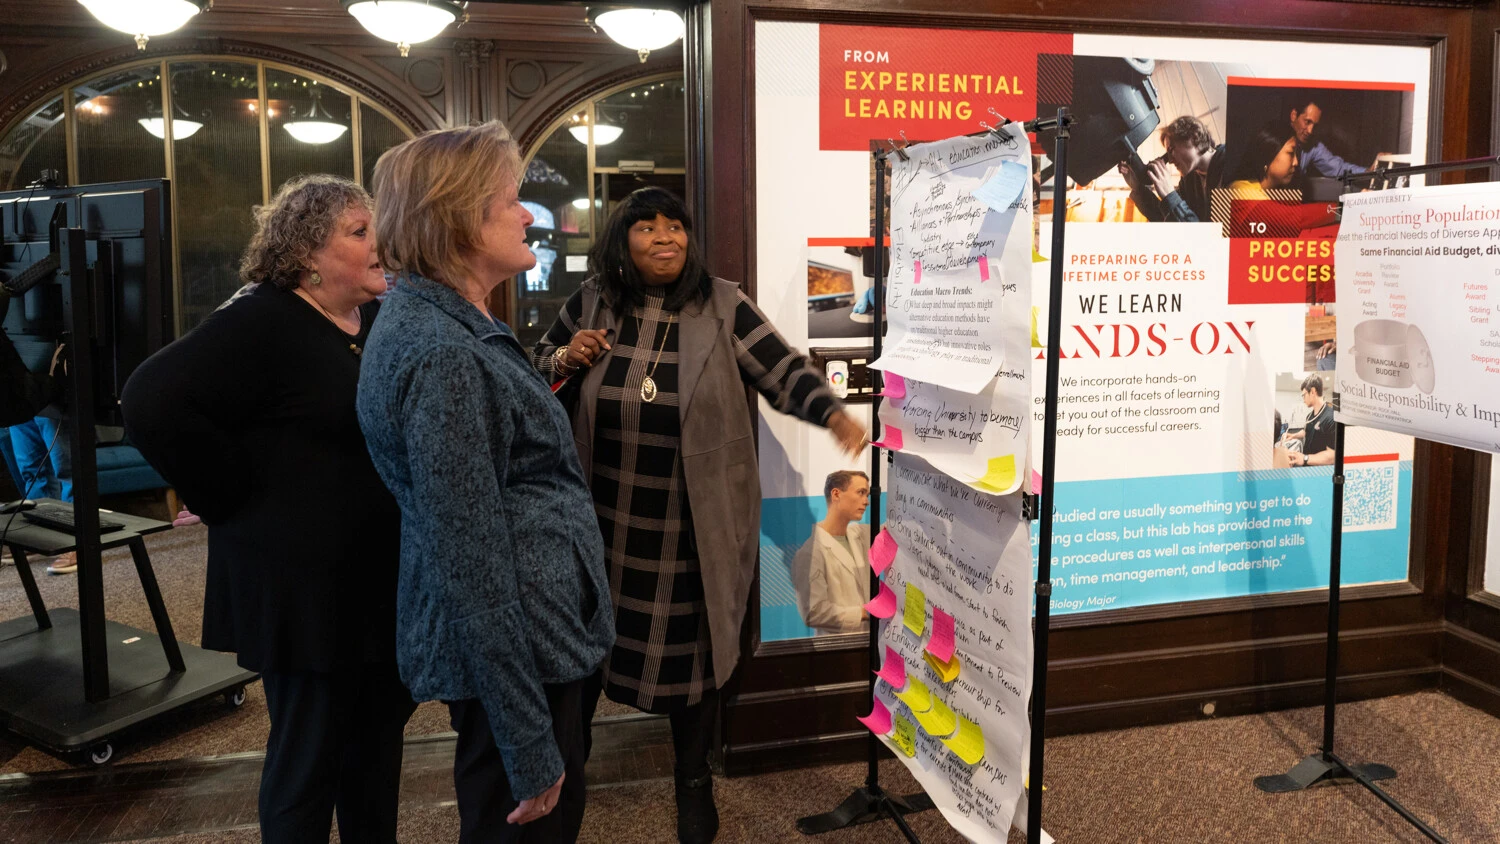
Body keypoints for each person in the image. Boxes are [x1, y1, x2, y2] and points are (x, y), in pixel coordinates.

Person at [534, 185, 866, 844]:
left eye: (675, 227)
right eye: (647, 228)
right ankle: (570, 773)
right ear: (620, 240)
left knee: (693, 664)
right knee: (588, 655)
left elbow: (783, 370)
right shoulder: (595, 299)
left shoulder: (722, 305)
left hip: (692, 529)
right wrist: (564, 360)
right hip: (604, 524)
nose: (665, 239)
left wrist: (829, 411)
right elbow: (535, 365)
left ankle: (693, 778)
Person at [121, 174, 416, 842]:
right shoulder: (262, 319)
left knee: (375, 744)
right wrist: (225, 495)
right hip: (301, 586)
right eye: (360, 231)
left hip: (372, 576)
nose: (380, 244)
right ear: (309, 250)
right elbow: (149, 399)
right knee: (308, 757)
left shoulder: (372, 317)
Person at [357, 121, 612, 844]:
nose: (528, 212)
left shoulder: (447, 323)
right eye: (512, 199)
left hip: (531, 644)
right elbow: (469, 559)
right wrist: (530, 746)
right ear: (461, 217)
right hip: (519, 657)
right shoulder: (442, 354)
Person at [792, 470, 872, 636]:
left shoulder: (861, 535)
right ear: (836, 494)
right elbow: (814, 612)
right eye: (861, 493)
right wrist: (865, 613)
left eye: (867, 494)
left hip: (867, 644)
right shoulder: (809, 553)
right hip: (837, 651)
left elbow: (892, 530)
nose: (866, 502)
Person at [1224, 122, 1339, 237]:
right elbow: (1295, 218)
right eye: (1290, 153)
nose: (1296, 162)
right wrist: (1343, 208)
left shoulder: (1271, 191)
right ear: (1268, 155)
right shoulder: (1239, 190)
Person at [1118, 115, 1226, 223]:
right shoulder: (1189, 181)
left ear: (1194, 137)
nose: (1169, 160)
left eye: (1171, 149)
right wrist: (1138, 188)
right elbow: (1165, 217)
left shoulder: (1231, 166)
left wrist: (1170, 195)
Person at [1288, 96, 1368, 180]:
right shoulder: (1275, 139)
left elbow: (1338, 168)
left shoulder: (1312, 145)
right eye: (1307, 122)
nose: (1310, 131)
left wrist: (1367, 171)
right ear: (1293, 115)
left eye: (1315, 126)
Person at [1285, 374, 1335, 466]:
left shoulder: (1331, 418)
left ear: (1312, 392)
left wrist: (1305, 458)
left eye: (1303, 395)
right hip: (1307, 466)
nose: (1303, 399)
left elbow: (1332, 456)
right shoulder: (1309, 416)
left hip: (1319, 471)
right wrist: (1293, 435)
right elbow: (1307, 431)